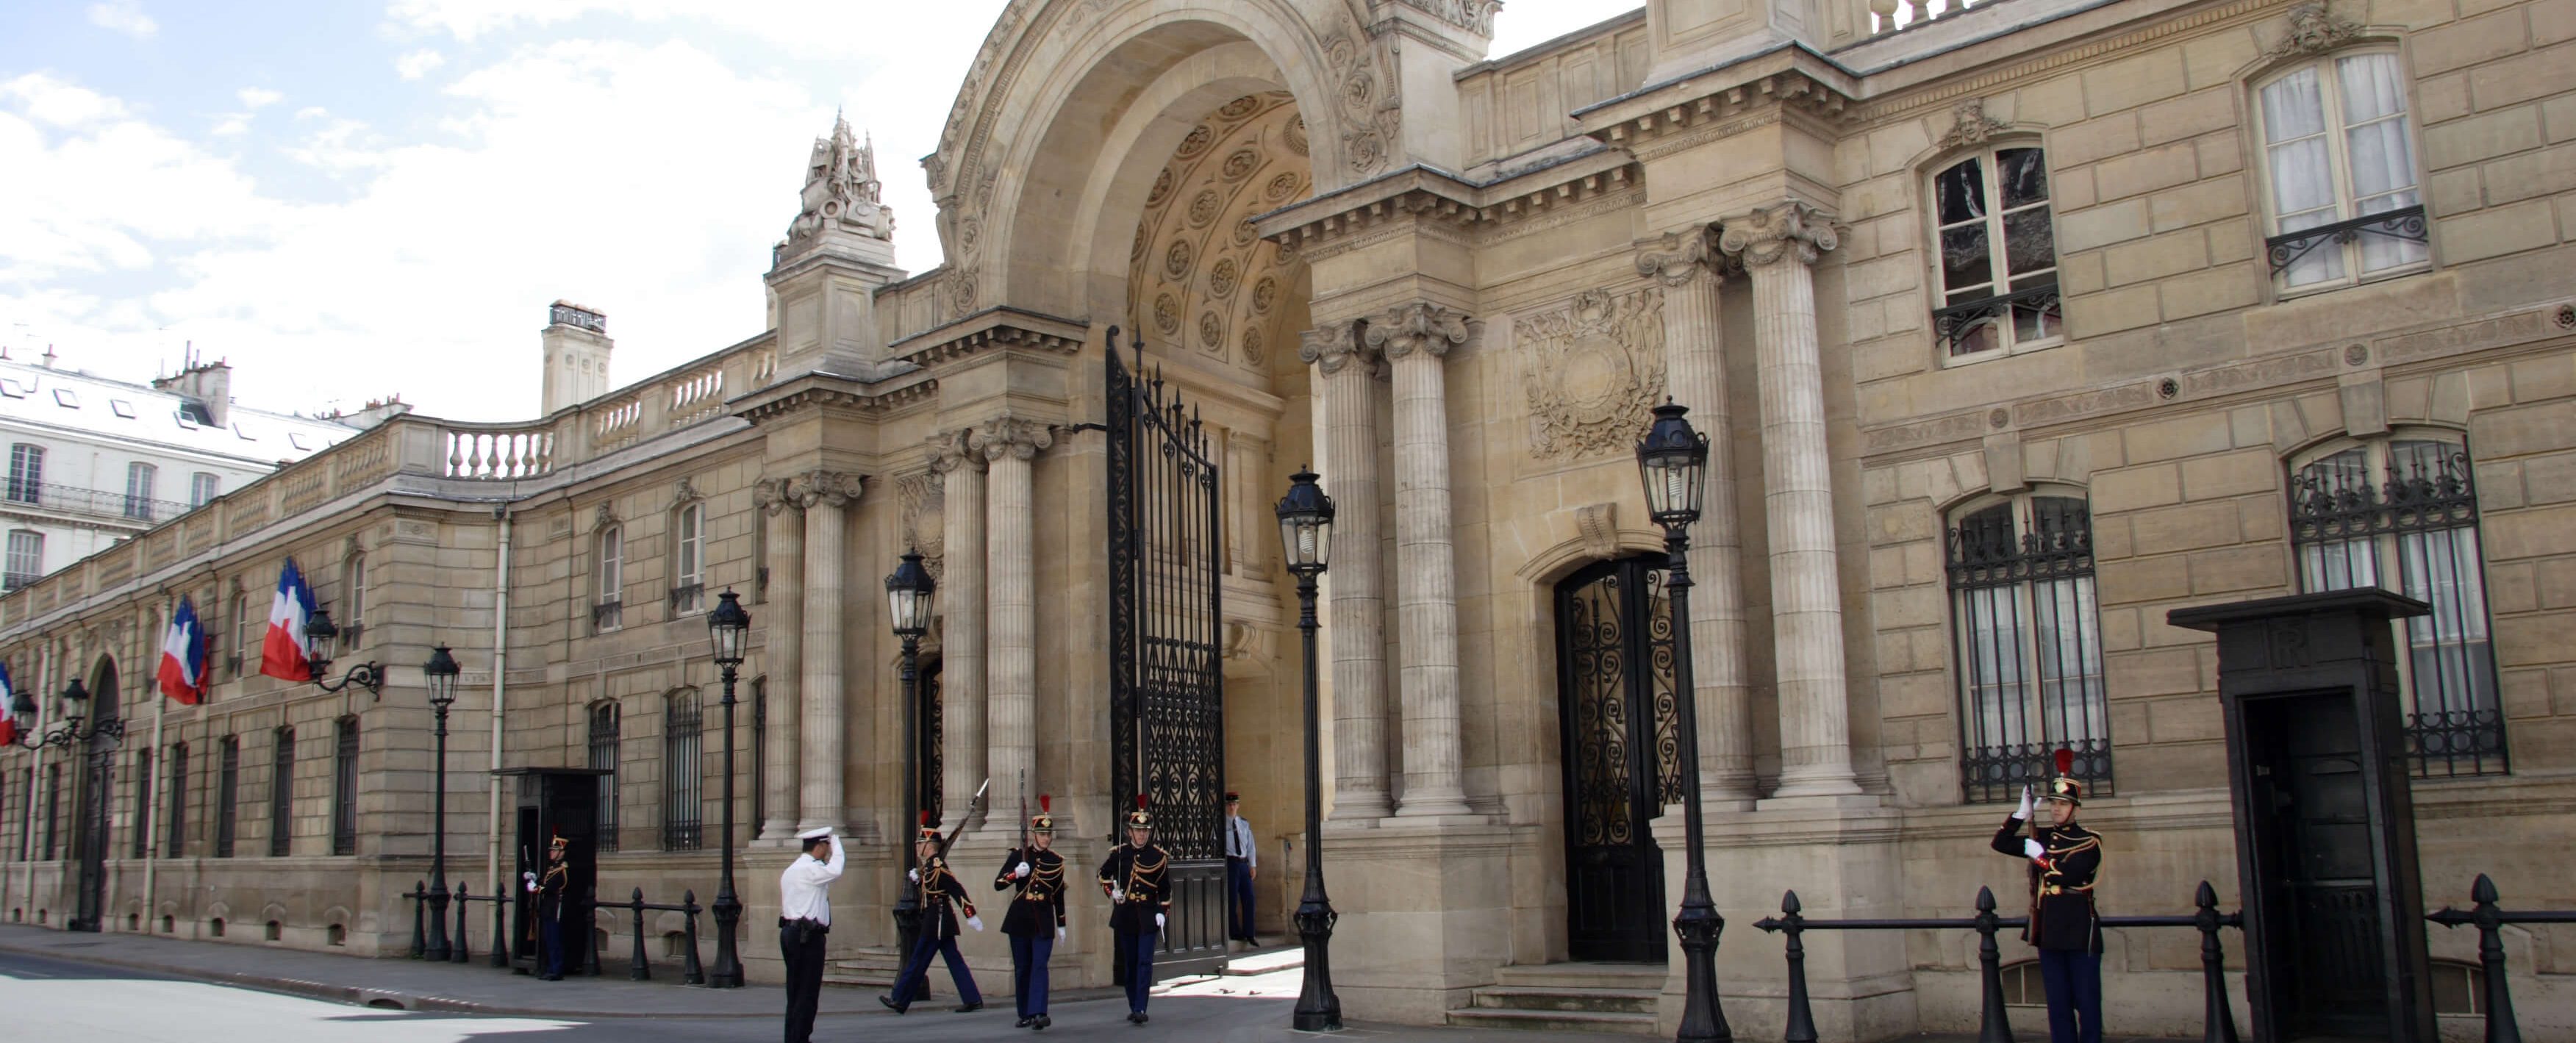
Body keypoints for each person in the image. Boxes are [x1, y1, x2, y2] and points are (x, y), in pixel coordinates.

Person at [1991, 752, 2104, 1043]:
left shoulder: (2089, 841)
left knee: (2087, 1002)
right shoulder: (2041, 838)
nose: (2056, 810)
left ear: (2075, 809)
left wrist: (2040, 859)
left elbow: (2065, 875)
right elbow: (2000, 843)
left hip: (2079, 928)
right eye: (2054, 803)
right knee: (2058, 1003)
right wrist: (2020, 815)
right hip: (2050, 928)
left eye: (2063, 804)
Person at [883, 817, 986, 1014]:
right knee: (953, 960)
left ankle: (900, 999)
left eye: (919, 843)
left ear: (928, 846)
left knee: (917, 960)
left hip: (937, 920)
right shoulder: (929, 867)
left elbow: (957, 889)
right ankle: (972, 998)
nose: (917, 847)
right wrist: (918, 878)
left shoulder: (937, 867)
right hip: (937, 919)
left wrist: (971, 914)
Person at [995, 794, 1068, 1031]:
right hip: (1020, 918)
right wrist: (1016, 873)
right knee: (1023, 967)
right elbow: (998, 884)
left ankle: (1039, 1012)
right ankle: (1025, 1012)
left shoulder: (1057, 861)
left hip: (1044, 919)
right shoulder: (1019, 856)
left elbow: (1058, 893)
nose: (1046, 838)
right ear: (1033, 834)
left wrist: (1062, 923)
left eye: (1049, 835)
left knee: (1039, 965)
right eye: (1042, 834)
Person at [1098, 797, 1170, 1025]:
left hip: (1148, 915)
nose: (1141, 835)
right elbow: (1102, 875)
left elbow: (1165, 891)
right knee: (1130, 963)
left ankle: (1141, 1006)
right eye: (1138, 831)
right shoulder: (1120, 854)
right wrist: (1112, 893)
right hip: (1126, 914)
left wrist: (1161, 911)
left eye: (1145, 831)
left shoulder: (1158, 857)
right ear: (1130, 832)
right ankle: (1132, 1003)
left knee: (1144, 962)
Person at [780, 826, 844, 1043]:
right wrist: (838, 845)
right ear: (820, 846)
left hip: (792, 932)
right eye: (826, 847)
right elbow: (836, 870)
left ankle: (794, 1037)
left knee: (796, 992)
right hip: (807, 936)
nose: (827, 852)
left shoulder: (793, 869)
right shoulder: (810, 870)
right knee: (807, 993)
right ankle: (800, 1038)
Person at [523, 834, 572, 981]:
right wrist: (534, 878)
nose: (551, 852)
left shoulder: (561, 870)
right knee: (549, 940)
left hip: (555, 908)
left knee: (555, 940)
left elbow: (552, 887)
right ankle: (551, 968)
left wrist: (537, 888)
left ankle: (556, 970)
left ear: (561, 853)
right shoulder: (553, 868)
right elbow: (544, 882)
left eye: (554, 850)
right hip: (547, 908)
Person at [1223, 791, 1258, 946]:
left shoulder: (1244, 823)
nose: (1232, 807)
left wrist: (1253, 865)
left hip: (1243, 864)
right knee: (1232, 899)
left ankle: (1250, 933)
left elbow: (1251, 846)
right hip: (1231, 863)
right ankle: (1234, 931)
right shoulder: (1221, 824)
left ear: (1238, 805)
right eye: (1229, 804)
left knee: (1249, 898)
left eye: (1234, 804)